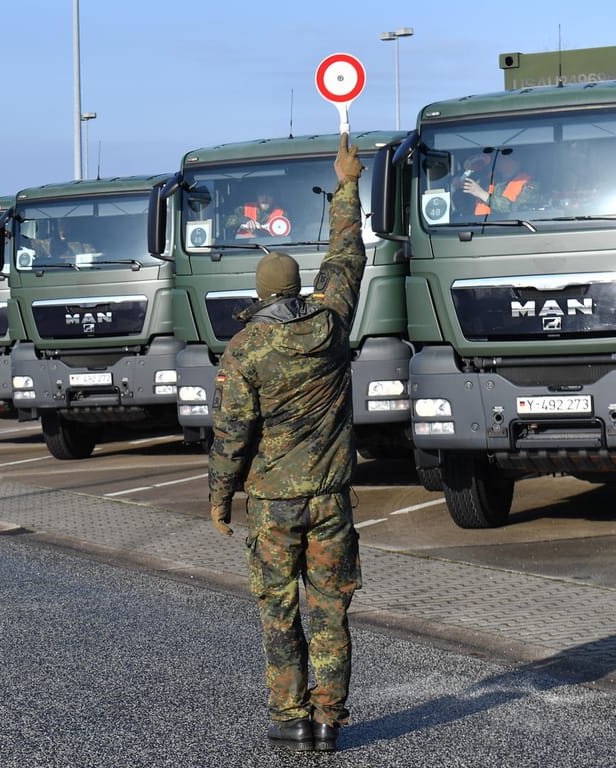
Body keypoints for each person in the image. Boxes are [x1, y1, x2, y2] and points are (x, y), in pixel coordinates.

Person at [208, 132, 366, 754]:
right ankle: (329, 722)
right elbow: (346, 257)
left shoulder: (246, 349)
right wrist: (346, 184)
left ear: (259, 294)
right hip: (331, 499)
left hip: (273, 504)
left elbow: (230, 436)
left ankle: (291, 716)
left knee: (279, 611)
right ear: (296, 290)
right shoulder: (329, 322)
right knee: (331, 611)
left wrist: (220, 500)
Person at [459, 150, 539, 215]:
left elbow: (515, 208)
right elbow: (464, 208)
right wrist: (458, 188)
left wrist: (481, 193)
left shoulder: (530, 183)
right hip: (478, 227)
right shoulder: (486, 180)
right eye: (498, 158)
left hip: (506, 229)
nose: (498, 160)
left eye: (503, 157)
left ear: (515, 161)